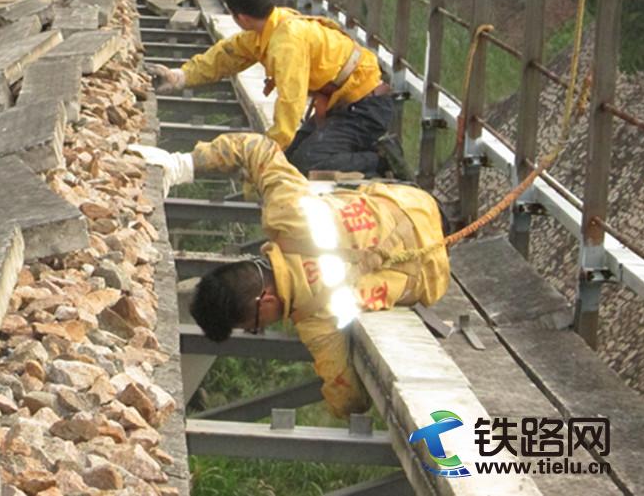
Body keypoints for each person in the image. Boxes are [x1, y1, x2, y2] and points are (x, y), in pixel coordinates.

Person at [130, 132, 450, 417]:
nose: (263, 328)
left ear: (264, 299)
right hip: (411, 202)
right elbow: (256, 148)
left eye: (254, 326)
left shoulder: (317, 320)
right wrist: (184, 164)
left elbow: (348, 397)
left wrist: (346, 405)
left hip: (435, 266)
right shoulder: (288, 213)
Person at [146, 0, 411, 179]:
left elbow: (290, 101)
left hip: (365, 108)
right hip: (342, 105)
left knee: (307, 164)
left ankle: (381, 158)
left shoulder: (287, 42)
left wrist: (270, 149)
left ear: (240, 17)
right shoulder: (270, 27)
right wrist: (179, 76)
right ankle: (352, 154)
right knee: (294, 160)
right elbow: (226, 56)